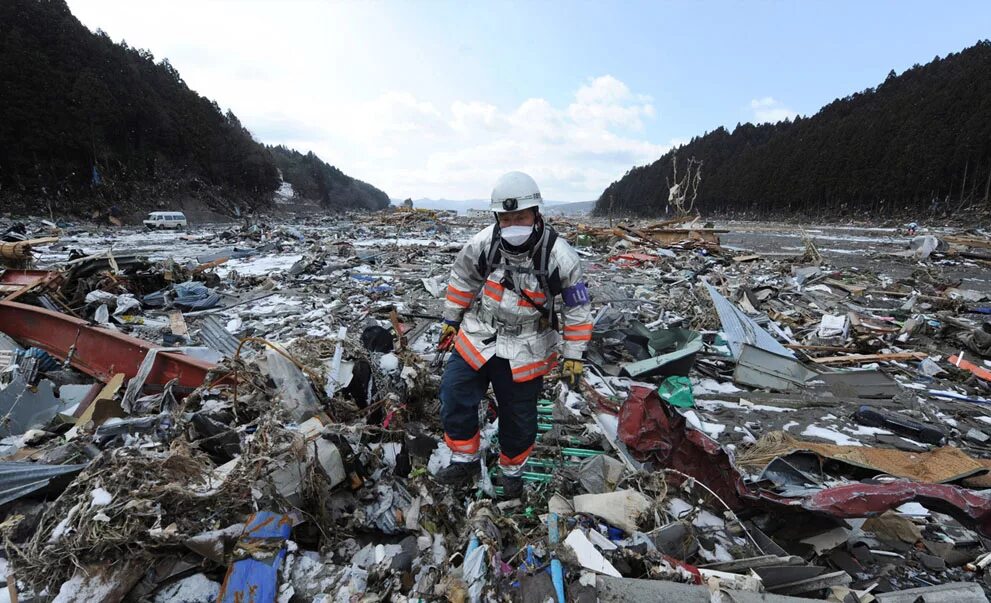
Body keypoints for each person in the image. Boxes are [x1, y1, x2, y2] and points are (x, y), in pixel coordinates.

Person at [434, 171, 592, 499]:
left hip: (527, 346)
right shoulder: (483, 244)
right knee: (454, 392)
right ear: (497, 218)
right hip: (480, 333)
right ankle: (464, 459)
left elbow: (577, 309)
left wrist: (574, 354)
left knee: (518, 417)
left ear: (536, 214)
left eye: (520, 215)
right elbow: (463, 278)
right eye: (506, 218)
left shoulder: (560, 256)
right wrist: (451, 319)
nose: (513, 223)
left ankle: (511, 471)